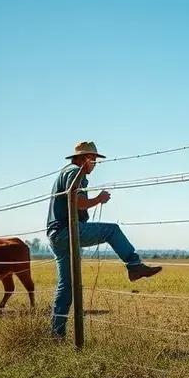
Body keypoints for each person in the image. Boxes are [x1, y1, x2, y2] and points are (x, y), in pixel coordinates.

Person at [48, 141, 161, 338]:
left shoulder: (67, 172)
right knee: (112, 231)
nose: (95, 164)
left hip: (55, 235)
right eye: (94, 160)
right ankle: (134, 266)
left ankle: (56, 334)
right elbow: (77, 202)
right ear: (86, 158)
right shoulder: (75, 173)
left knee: (65, 286)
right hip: (67, 231)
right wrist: (99, 199)